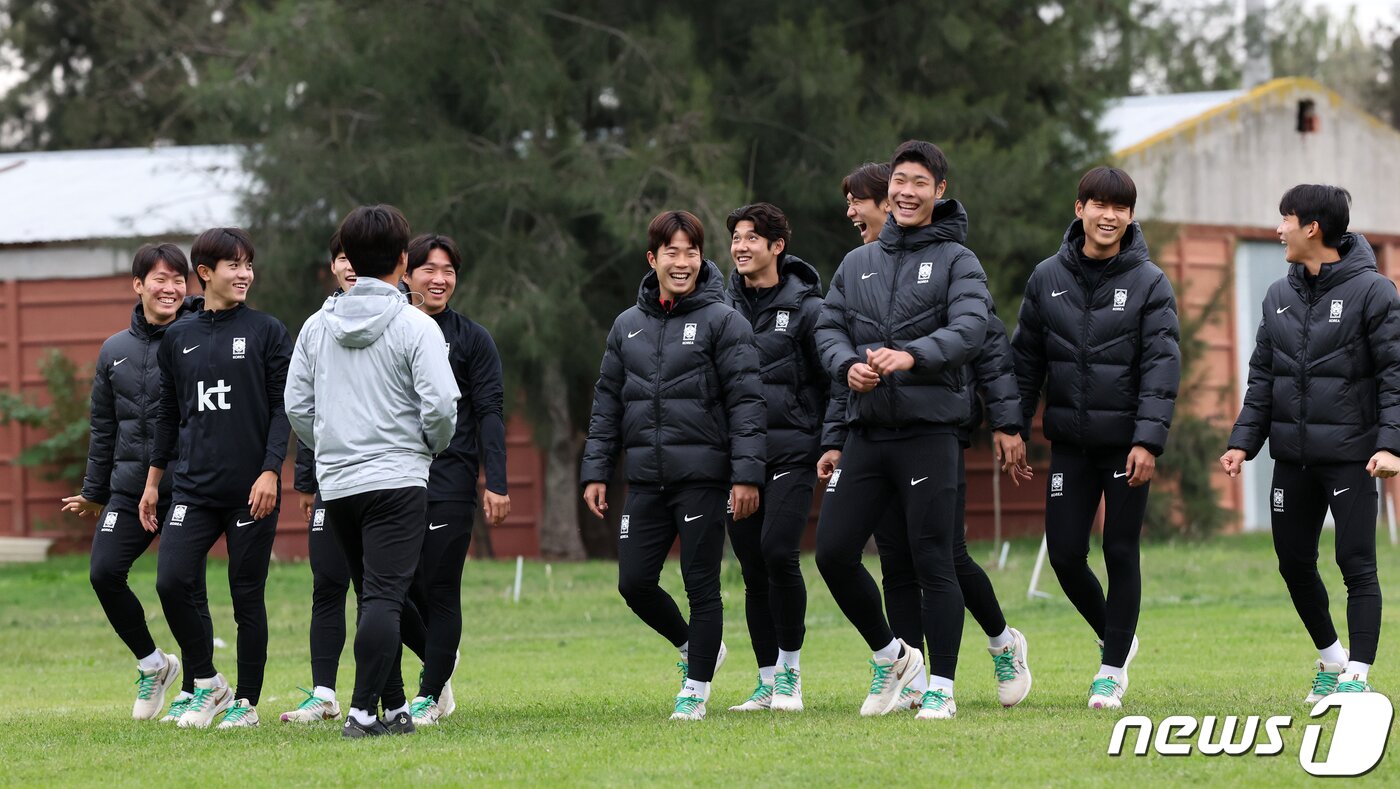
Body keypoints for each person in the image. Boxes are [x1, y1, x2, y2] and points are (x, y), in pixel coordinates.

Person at [823, 162, 1035, 713]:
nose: (907, 192)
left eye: (920, 183)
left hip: (932, 429)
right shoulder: (857, 263)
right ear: (888, 190)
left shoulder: (958, 261)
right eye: (900, 182)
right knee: (842, 554)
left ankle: (951, 678)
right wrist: (848, 365)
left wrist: (1007, 423)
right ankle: (899, 659)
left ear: (939, 192)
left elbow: (978, 337)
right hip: (870, 430)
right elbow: (828, 329)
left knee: (938, 557)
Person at [580, 210, 765, 721]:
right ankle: (696, 648)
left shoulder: (724, 320)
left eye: (691, 252)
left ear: (701, 258)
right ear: (653, 258)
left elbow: (748, 404)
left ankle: (696, 688)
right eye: (671, 252)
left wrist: (747, 474)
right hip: (645, 480)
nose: (681, 263)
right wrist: (596, 470)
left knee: (700, 582)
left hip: (703, 478)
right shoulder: (627, 326)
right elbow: (607, 403)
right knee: (633, 583)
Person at [285, 204, 459, 738]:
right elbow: (443, 407)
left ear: (351, 262)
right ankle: (362, 713)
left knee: (371, 595)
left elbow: (296, 406)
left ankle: (398, 706)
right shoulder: (415, 324)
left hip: (338, 484)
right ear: (403, 262)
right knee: (385, 598)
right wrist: (426, 450)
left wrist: (331, 448)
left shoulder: (316, 326)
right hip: (398, 480)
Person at [1011, 166, 1181, 710]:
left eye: (1121, 207)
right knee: (1064, 555)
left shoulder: (1150, 282)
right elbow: (1024, 363)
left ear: (1131, 216)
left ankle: (1110, 671)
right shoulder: (1045, 278)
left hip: (1126, 444)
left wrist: (1148, 441)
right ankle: (1119, 636)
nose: (1109, 215)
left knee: (1119, 549)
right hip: (1070, 446)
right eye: (1098, 204)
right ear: (1079, 207)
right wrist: (1012, 426)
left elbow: (1161, 365)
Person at [1221, 184, 1400, 700]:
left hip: (1352, 459)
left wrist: (1390, 445)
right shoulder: (1278, 295)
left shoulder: (1375, 292)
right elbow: (1262, 379)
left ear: (1312, 228)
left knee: (1355, 563)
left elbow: (1394, 375)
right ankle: (1331, 659)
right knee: (1293, 561)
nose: (1278, 229)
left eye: (1285, 219)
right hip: (1291, 461)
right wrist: (1242, 442)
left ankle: (1359, 677)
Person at [142, 228, 294, 729]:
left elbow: (282, 409)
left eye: (249, 264)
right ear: (205, 273)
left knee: (245, 594)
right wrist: (152, 482)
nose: (245, 273)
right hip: (193, 490)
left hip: (252, 491)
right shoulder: (177, 338)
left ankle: (246, 704)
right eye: (234, 265)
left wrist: (271, 470)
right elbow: (168, 415)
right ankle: (208, 683)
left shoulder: (267, 330)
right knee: (170, 581)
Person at [63, 243, 214, 721]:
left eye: (178, 280)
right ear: (138, 285)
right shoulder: (114, 350)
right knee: (103, 573)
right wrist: (93, 491)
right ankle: (154, 665)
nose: (170, 289)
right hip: (129, 489)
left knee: (186, 585)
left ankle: (196, 688)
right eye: (160, 279)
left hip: (188, 485)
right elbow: (105, 428)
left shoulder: (199, 338)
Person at [399, 232, 511, 725]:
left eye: (448, 271)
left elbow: (489, 413)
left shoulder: (472, 338)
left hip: (450, 479)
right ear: (405, 273)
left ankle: (428, 694)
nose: (440, 279)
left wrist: (497, 482)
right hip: (393, 476)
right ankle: (439, 659)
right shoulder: (390, 330)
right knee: (395, 588)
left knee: (441, 587)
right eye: (429, 269)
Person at [721, 203, 824, 713]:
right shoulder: (719, 306)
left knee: (779, 551)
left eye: (751, 238)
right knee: (752, 566)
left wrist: (832, 441)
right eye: (736, 238)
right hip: (739, 459)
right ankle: (766, 680)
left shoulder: (808, 306)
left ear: (776, 246)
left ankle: (791, 677)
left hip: (794, 450)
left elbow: (829, 382)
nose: (740, 246)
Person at [279, 232, 356, 723]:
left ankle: (433, 668)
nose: (350, 266)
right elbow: (306, 408)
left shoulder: (405, 323)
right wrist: (306, 480)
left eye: (358, 257)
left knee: (385, 590)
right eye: (342, 257)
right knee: (327, 582)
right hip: (331, 481)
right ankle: (324, 694)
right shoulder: (317, 326)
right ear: (332, 266)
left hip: (388, 481)